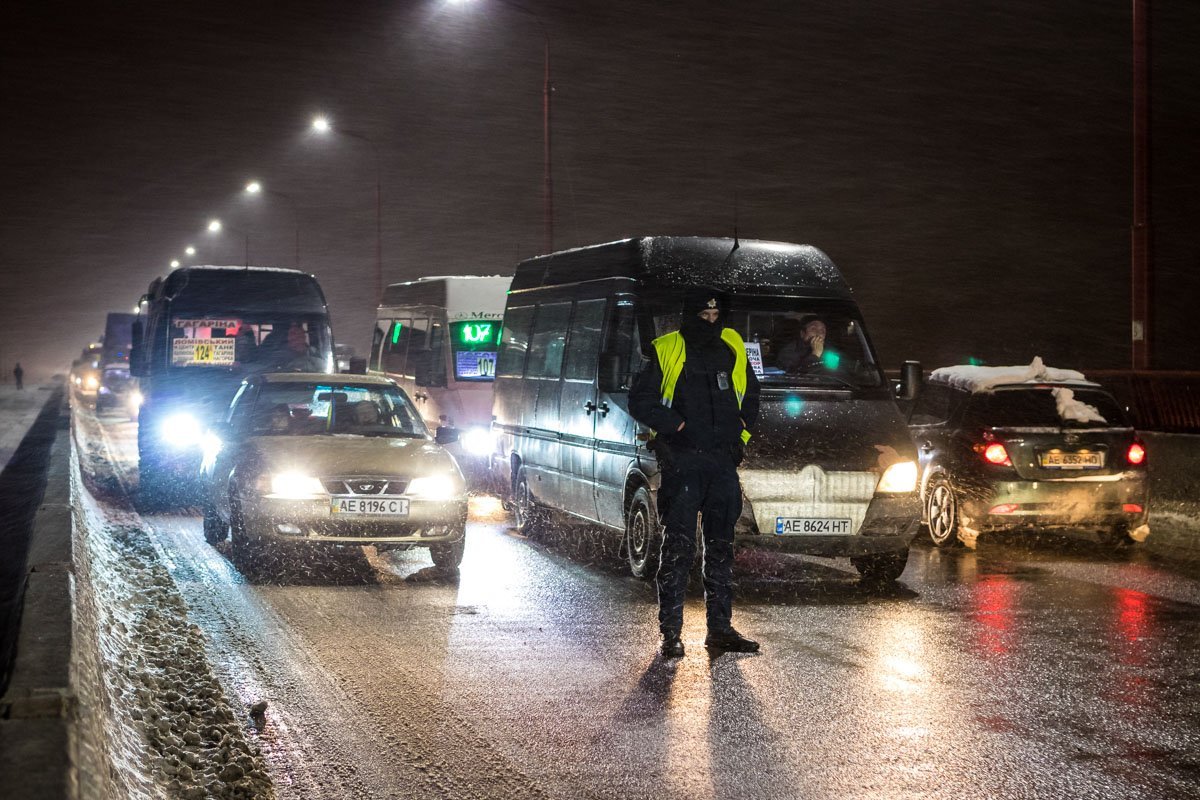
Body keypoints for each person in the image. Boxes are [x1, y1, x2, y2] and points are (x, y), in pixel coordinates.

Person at [629, 288, 761, 658]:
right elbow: (640, 401)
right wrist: (677, 427)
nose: (711, 322)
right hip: (683, 462)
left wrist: (740, 438)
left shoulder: (731, 345)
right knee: (678, 549)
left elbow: (750, 397)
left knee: (721, 549)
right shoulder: (666, 348)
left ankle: (719, 629)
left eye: (716, 317)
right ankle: (670, 633)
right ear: (690, 315)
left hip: (721, 464)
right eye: (704, 316)